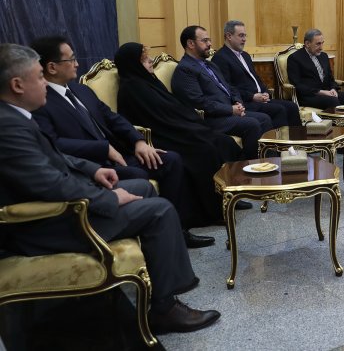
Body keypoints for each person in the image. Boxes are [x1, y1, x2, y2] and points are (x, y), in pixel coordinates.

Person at [0, 43, 220, 334]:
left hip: (67, 201)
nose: (43, 83)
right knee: (160, 211)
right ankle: (165, 310)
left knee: (143, 186)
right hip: (50, 223)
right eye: (39, 77)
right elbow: (49, 182)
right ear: (17, 85)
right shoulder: (8, 127)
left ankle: (161, 278)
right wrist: (108, 197)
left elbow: (56, 157)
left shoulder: (16, 117)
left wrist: (93, 169)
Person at [29, 36, 214, 249]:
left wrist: (138, 142)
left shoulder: (81, 90)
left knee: (170, 160)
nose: (77, 64)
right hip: (91, 164)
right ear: (52, 67)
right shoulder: (40, 101)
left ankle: (179, 230)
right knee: (138, 176)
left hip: (121, 153)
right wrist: (103, 148)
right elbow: (53, 145)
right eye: (71, 59)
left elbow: (112, 118)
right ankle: (146, 235)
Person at [114, 42, 243, 226]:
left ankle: (228, 195)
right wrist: (188, 127)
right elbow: (155, 120)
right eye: (144, 59)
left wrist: (190, 123)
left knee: (223, 141)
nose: (150, 61)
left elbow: (173, 107)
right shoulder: (131, 89)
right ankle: (212, 210)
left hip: (177, 130)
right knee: (205, 149)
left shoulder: (149, 81)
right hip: (161, 136)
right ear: (133, 64)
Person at [171, 25, 272, 161]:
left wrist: (238, 102)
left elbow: (230, 87)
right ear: (190, 44)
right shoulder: (185, 70)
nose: (209, 44)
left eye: (209, 40)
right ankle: (247, 167)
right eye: (205, 41)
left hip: (228, 112)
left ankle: (269, 162)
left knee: (265, 118)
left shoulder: (210, 65)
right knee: (252, 124)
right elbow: (199, 102)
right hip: (211, 118)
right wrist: (230, 109)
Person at [286, 28, 344, 154]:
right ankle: (340, 145)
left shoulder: (323, 56)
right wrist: (321, 92)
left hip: (327, 93)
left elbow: (330, 79)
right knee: (333, 101)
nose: (321, 47)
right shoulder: (295, 58)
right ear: (307, 43)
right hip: (309, 96)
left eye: (322, 43)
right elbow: (297, 84)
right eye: (318, 44)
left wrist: (333, 88)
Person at [212, 20, 301, 128]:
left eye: (245, 35)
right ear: (229, 36)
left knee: (292, 106)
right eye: (241, 36)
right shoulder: (220, 58)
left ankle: (297, 137)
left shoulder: (245, 55)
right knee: (279, 109)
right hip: (244, 102)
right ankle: (279, 139)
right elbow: (227, 88)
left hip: (259, 99)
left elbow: (256, 79)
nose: (244, 39)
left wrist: (265, 92)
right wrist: (252, 97)